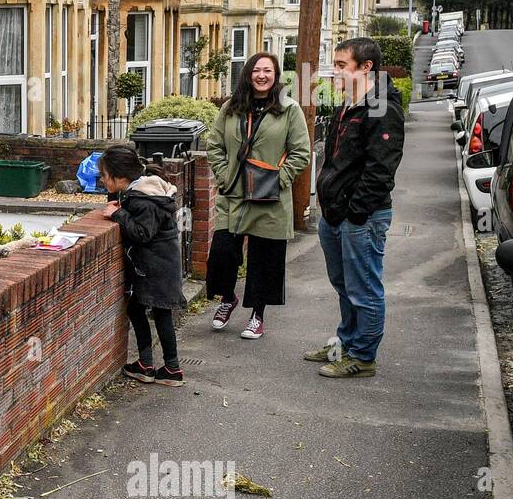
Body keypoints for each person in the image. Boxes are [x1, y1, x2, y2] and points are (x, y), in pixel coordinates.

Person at [311, 37, 404, 379]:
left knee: (363, 286)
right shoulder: (348, 104)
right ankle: (347, 342)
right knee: (343, 283)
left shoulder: (382, 108)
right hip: (336, 214)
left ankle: (363, 356)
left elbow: (381, 170)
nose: (333, 73)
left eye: (340, 66)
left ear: (366, 68)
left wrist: (355, 212)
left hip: (360, 217)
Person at [205, 51, 312, 339]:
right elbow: (214, 145)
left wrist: (280, 180)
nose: (261, 75)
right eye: (256, 70)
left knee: (265, 260)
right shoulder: (231, 108)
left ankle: (257, 315)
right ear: (248, 74)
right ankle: (227, 298)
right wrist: (224, 174)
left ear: (276, 75)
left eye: (267, 70)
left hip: (269, 197)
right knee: (223, 254)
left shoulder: (289, 110)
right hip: (234, 195)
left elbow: (302, 152)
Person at [102, 145, 186, 387]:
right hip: (162, 263)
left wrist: (118, 215)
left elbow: (143, 233)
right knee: (148, 311)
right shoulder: (148, 190)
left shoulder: (143, 199)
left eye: (105, 176)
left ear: (120, 177)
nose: (102, 180)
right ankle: (154, 365)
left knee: (157, 313)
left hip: (156, 266)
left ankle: (167, 368)